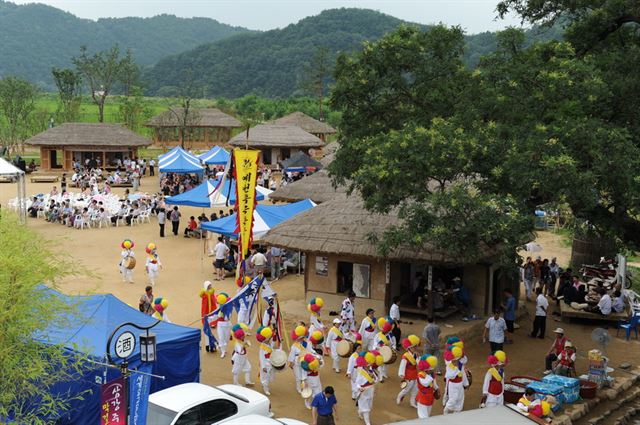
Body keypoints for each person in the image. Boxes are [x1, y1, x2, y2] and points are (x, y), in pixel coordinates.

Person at [396, 335, 420, 407]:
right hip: (408, 374)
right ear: (410, 348)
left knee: (415, 389)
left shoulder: (416, 355)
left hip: (415, 373)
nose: (415, 348)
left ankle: (412, 403)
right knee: (407, 389)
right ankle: (399, 396)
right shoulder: (405, 356)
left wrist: (418, 357)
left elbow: (419, 364)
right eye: (414, 347)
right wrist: (402, 374)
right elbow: (402, 366)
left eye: (416, 346)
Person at [355, 355, 378, 425]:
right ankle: (368, 423)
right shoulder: (361, 372)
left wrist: (374, 377)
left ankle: (359, 411)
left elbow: (376, 380)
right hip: (363, 393)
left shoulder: (371, 371)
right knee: (366, 409)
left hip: (371, 391)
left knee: (369, 406)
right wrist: (360, 388)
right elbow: (357, 383)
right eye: (368, 364)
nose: (369, 365)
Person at [289, 325, 309, 394]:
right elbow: (292, 355)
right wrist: (291, 363)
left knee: (304, 375)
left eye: (302, 337)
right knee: (298, 377)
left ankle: (304, 387)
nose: (301, 339)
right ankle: (298, 388)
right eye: (300, 337)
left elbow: (310, 351)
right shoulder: (294, 346)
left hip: (305, 361)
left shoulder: (306, 344)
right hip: (297, 362)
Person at [256, 326, 275, 395]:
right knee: (265, 377)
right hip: (266, 364)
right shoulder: (262, 347)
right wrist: (263, 367)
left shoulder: (269, 344)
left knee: (270, 376)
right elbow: (261, 357)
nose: (271, 338)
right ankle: (265, 389)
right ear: (266, 338)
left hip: (270, 362)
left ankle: (264, 384)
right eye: (270, 337)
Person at [200, 281, 217, 353]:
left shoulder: (211, 292)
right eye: (209, 285)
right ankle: (208, 346)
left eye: (210, 285)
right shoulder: (204, 294)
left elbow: (213, 299)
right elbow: (204, 304)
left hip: (211, 309)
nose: (210, 286)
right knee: (207, 332)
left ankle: (210, 346)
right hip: (206, 311)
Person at [216, 293, 231, 358]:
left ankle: (222, 346)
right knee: (221, 338)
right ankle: (223, 351)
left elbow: (227, 318)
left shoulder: (229, 308)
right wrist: (207, 317)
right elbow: (215, 315)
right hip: (220, 325)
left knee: (226, 340)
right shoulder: (219, 308)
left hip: (227, 325)